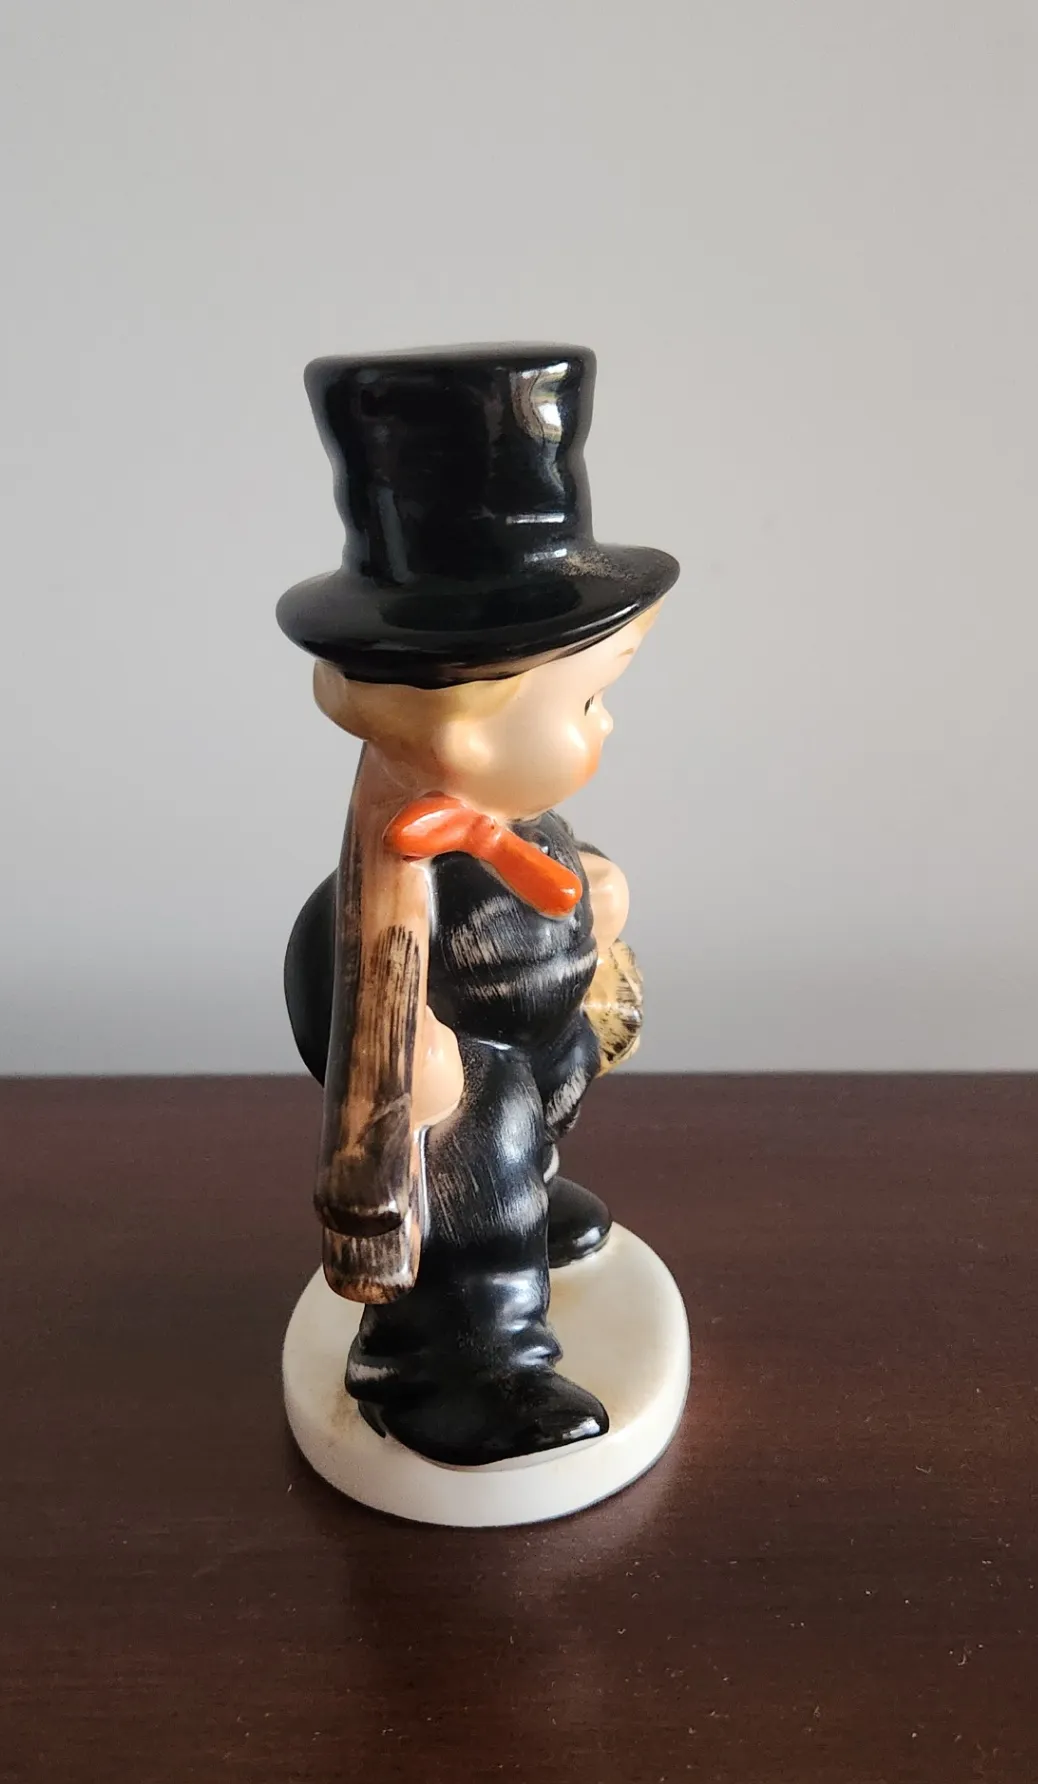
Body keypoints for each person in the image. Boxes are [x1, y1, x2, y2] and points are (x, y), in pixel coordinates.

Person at [279, 345, 676, 1468]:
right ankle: (449, 1356)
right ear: (463, 732)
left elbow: (541, 878)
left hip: (530, 1025)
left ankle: (528, 1199)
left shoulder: (502, 809)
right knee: (475, 1164)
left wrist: (593, 894)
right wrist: (414, 1062)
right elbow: (383, 992)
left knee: (548, 1095)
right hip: (460, 1056)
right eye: (586, 701)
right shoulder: (399, 869)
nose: (604, 724)